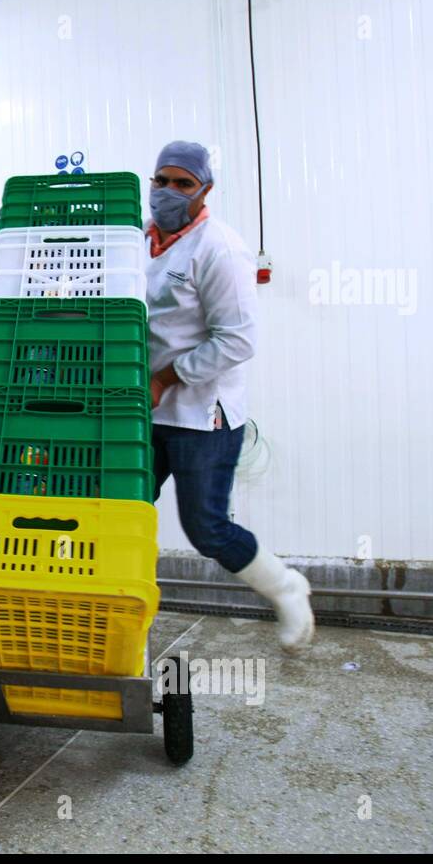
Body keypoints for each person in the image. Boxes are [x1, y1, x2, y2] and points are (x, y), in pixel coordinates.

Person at [144, 140, 314, 653]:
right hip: (142, 407)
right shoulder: (135, 240)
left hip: (203, 412)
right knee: (120, 507)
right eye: (162, 181)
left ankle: (288, 589)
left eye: (183, 184)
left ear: (205, 191)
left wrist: (167, 378)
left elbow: (237, 339)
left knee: (207, 528)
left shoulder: (219, 248)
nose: (169, 192)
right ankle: (115, 612)